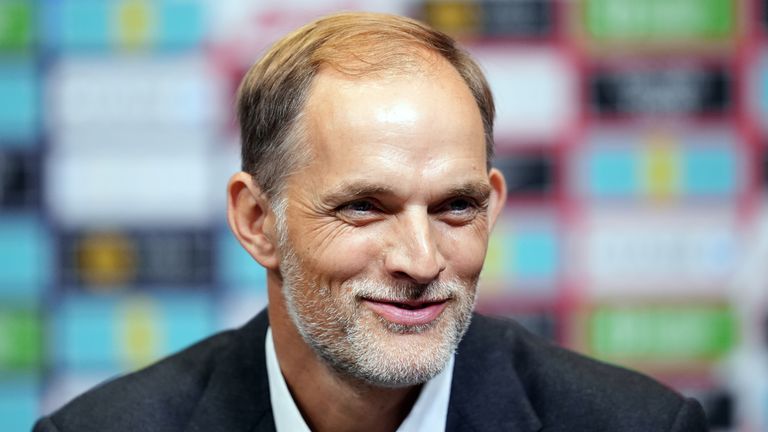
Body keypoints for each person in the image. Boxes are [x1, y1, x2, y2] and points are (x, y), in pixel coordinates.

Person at [35, 12, 708, 432]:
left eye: (455, 207)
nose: (420, 260)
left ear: (493, 207)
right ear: (256, 219)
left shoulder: (637, 424)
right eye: (364, 206)